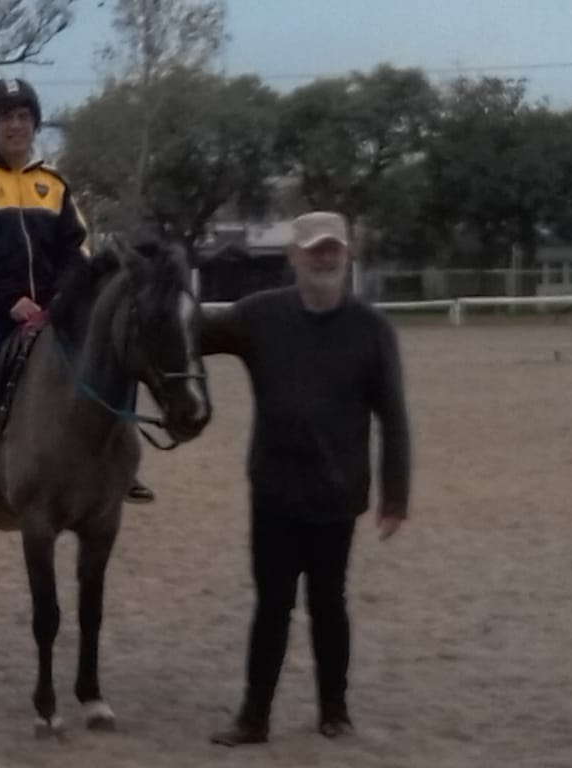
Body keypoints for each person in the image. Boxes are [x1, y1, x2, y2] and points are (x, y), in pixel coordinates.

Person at [199, 210, 412, 746]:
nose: (324, 257)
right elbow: (194, 334)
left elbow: (393, 415)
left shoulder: (372, 330)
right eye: (314, 249)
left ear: (347, 255)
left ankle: (334, 710)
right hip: (272, 489)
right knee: (271, 605)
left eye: (332, 249)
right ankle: (253, 717)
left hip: (337, 494)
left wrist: (396, 495)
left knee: (328, 604)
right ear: (293, 256)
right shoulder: (258, 317)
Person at [0, 77, 92, 519]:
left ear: (34, 124)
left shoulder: (56, 185)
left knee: (109, 348)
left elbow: (78, 250)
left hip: (50, 305)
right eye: (5, 117)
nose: (15, 125)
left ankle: (113, 459)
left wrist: (59, 298)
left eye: (24, 116)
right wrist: (9, 300)